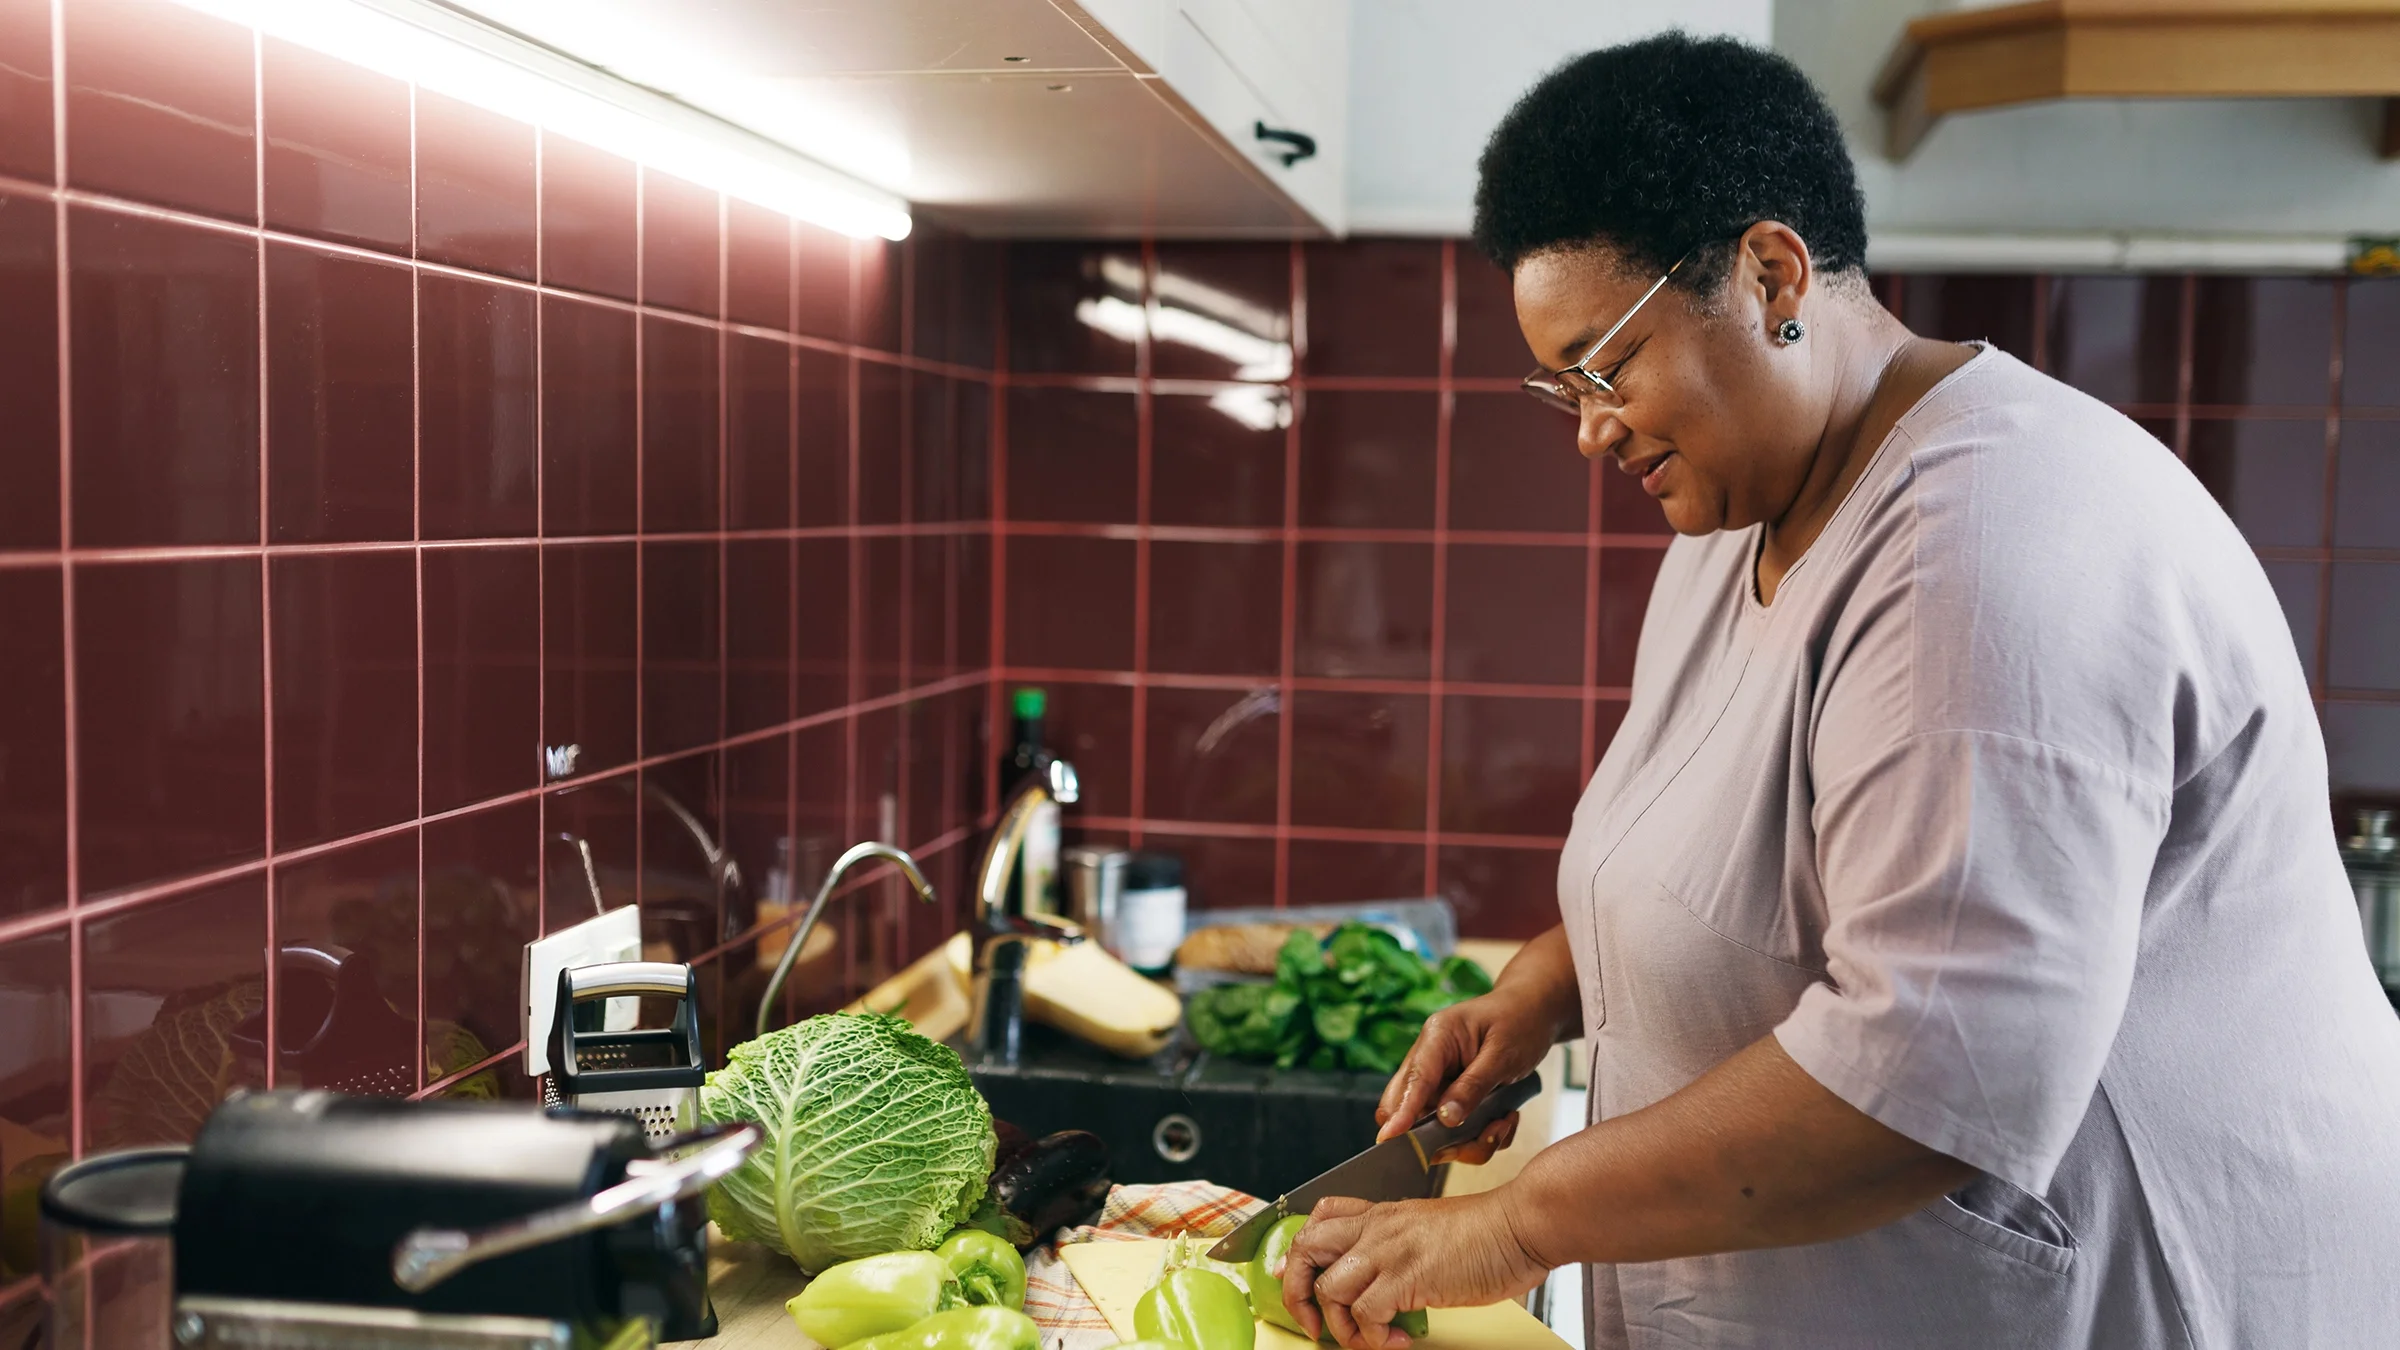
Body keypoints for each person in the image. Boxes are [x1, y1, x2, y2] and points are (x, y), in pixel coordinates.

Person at [1274, 32, 2400, 1350]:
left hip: (2125, 1302)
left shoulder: (1993, 551)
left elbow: (1933, 1067)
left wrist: (1513, 1223)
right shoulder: (1737, 523)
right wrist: (1549, 987)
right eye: (1560, 384)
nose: (1589, 426)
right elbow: (1745, 854)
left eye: (1606, 365)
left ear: (1770, 275)